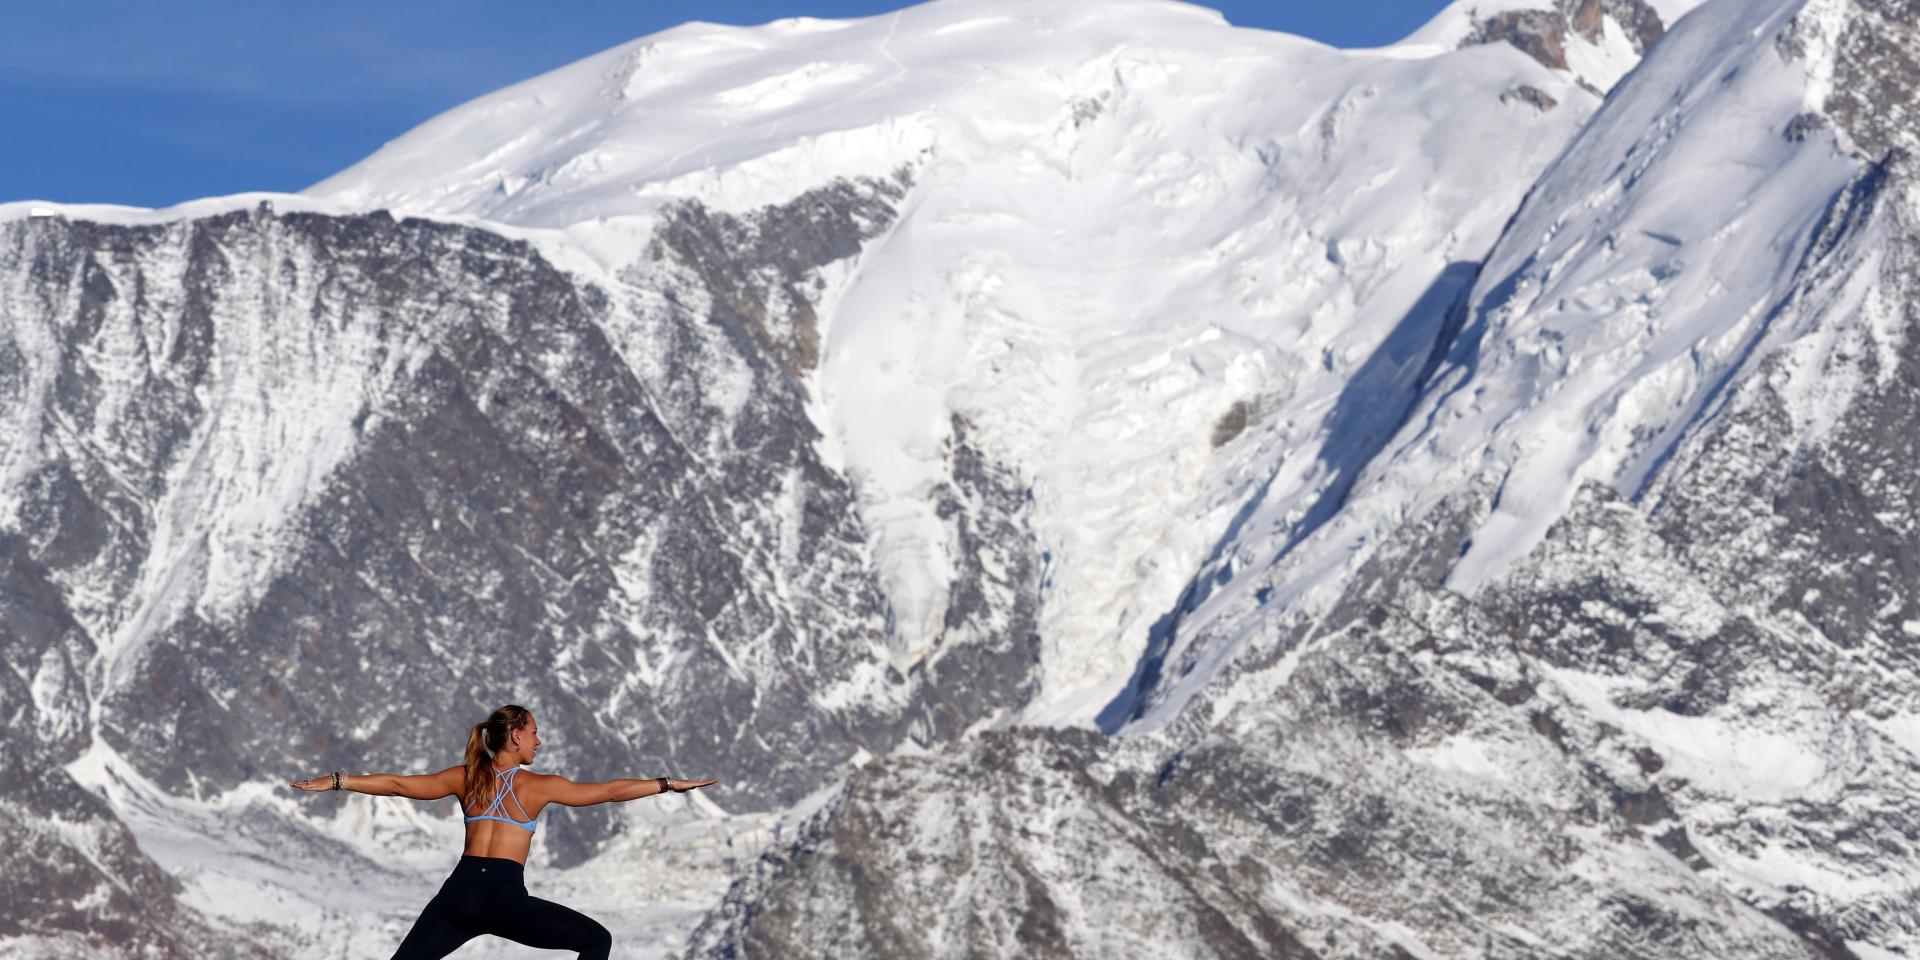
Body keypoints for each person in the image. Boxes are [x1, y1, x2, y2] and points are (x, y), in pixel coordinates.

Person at [290, 703, 716, 959]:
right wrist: (667, 785)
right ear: (515, 736)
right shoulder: (537, 786)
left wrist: (339, 781)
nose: (539, 741)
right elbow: (609, 792)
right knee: (596, 940)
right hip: (502, 899)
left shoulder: (466, 777)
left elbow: (399, 785)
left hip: (456, 897)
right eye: (533, 733)